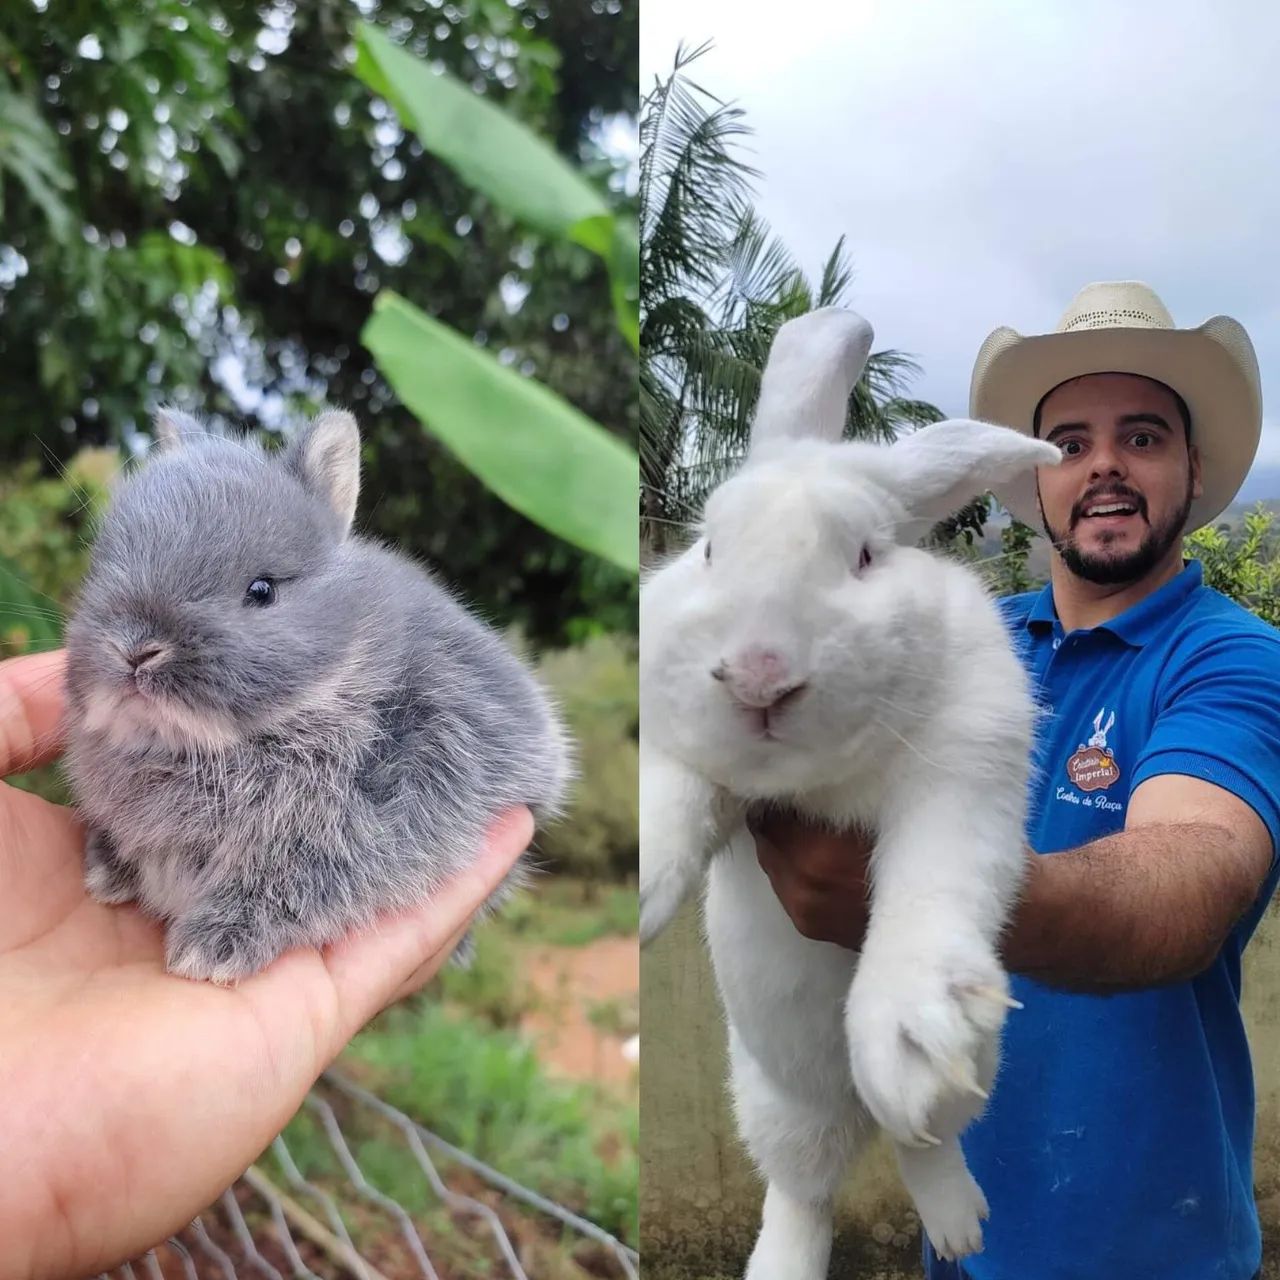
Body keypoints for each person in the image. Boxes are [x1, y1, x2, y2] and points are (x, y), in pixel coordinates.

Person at [753, 281, 1280, 1280]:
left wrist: (927, 906)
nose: (1103, 465)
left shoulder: (1235, 659)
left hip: (1154, 1249)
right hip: (963, 1237)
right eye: (1070, 443)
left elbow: (1191, 877)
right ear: (1033, 479)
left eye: (1141, 436)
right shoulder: (966, 640)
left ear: (1195, 467)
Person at [0, 647, 531, 1280]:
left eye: (258, 597)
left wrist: (279, 901)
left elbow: (401, 815)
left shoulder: (353, 713)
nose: (145, 649)